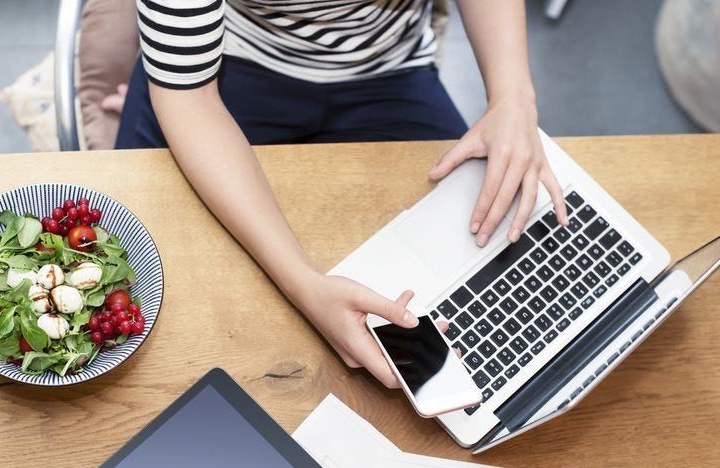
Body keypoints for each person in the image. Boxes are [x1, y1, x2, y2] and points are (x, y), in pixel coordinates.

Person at [115, 0, 566, 389]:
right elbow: (188, 97)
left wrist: (513, 97)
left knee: (495, 281)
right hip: (230, 71)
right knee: (144, 296)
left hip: (389, 71)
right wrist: (305, 285)